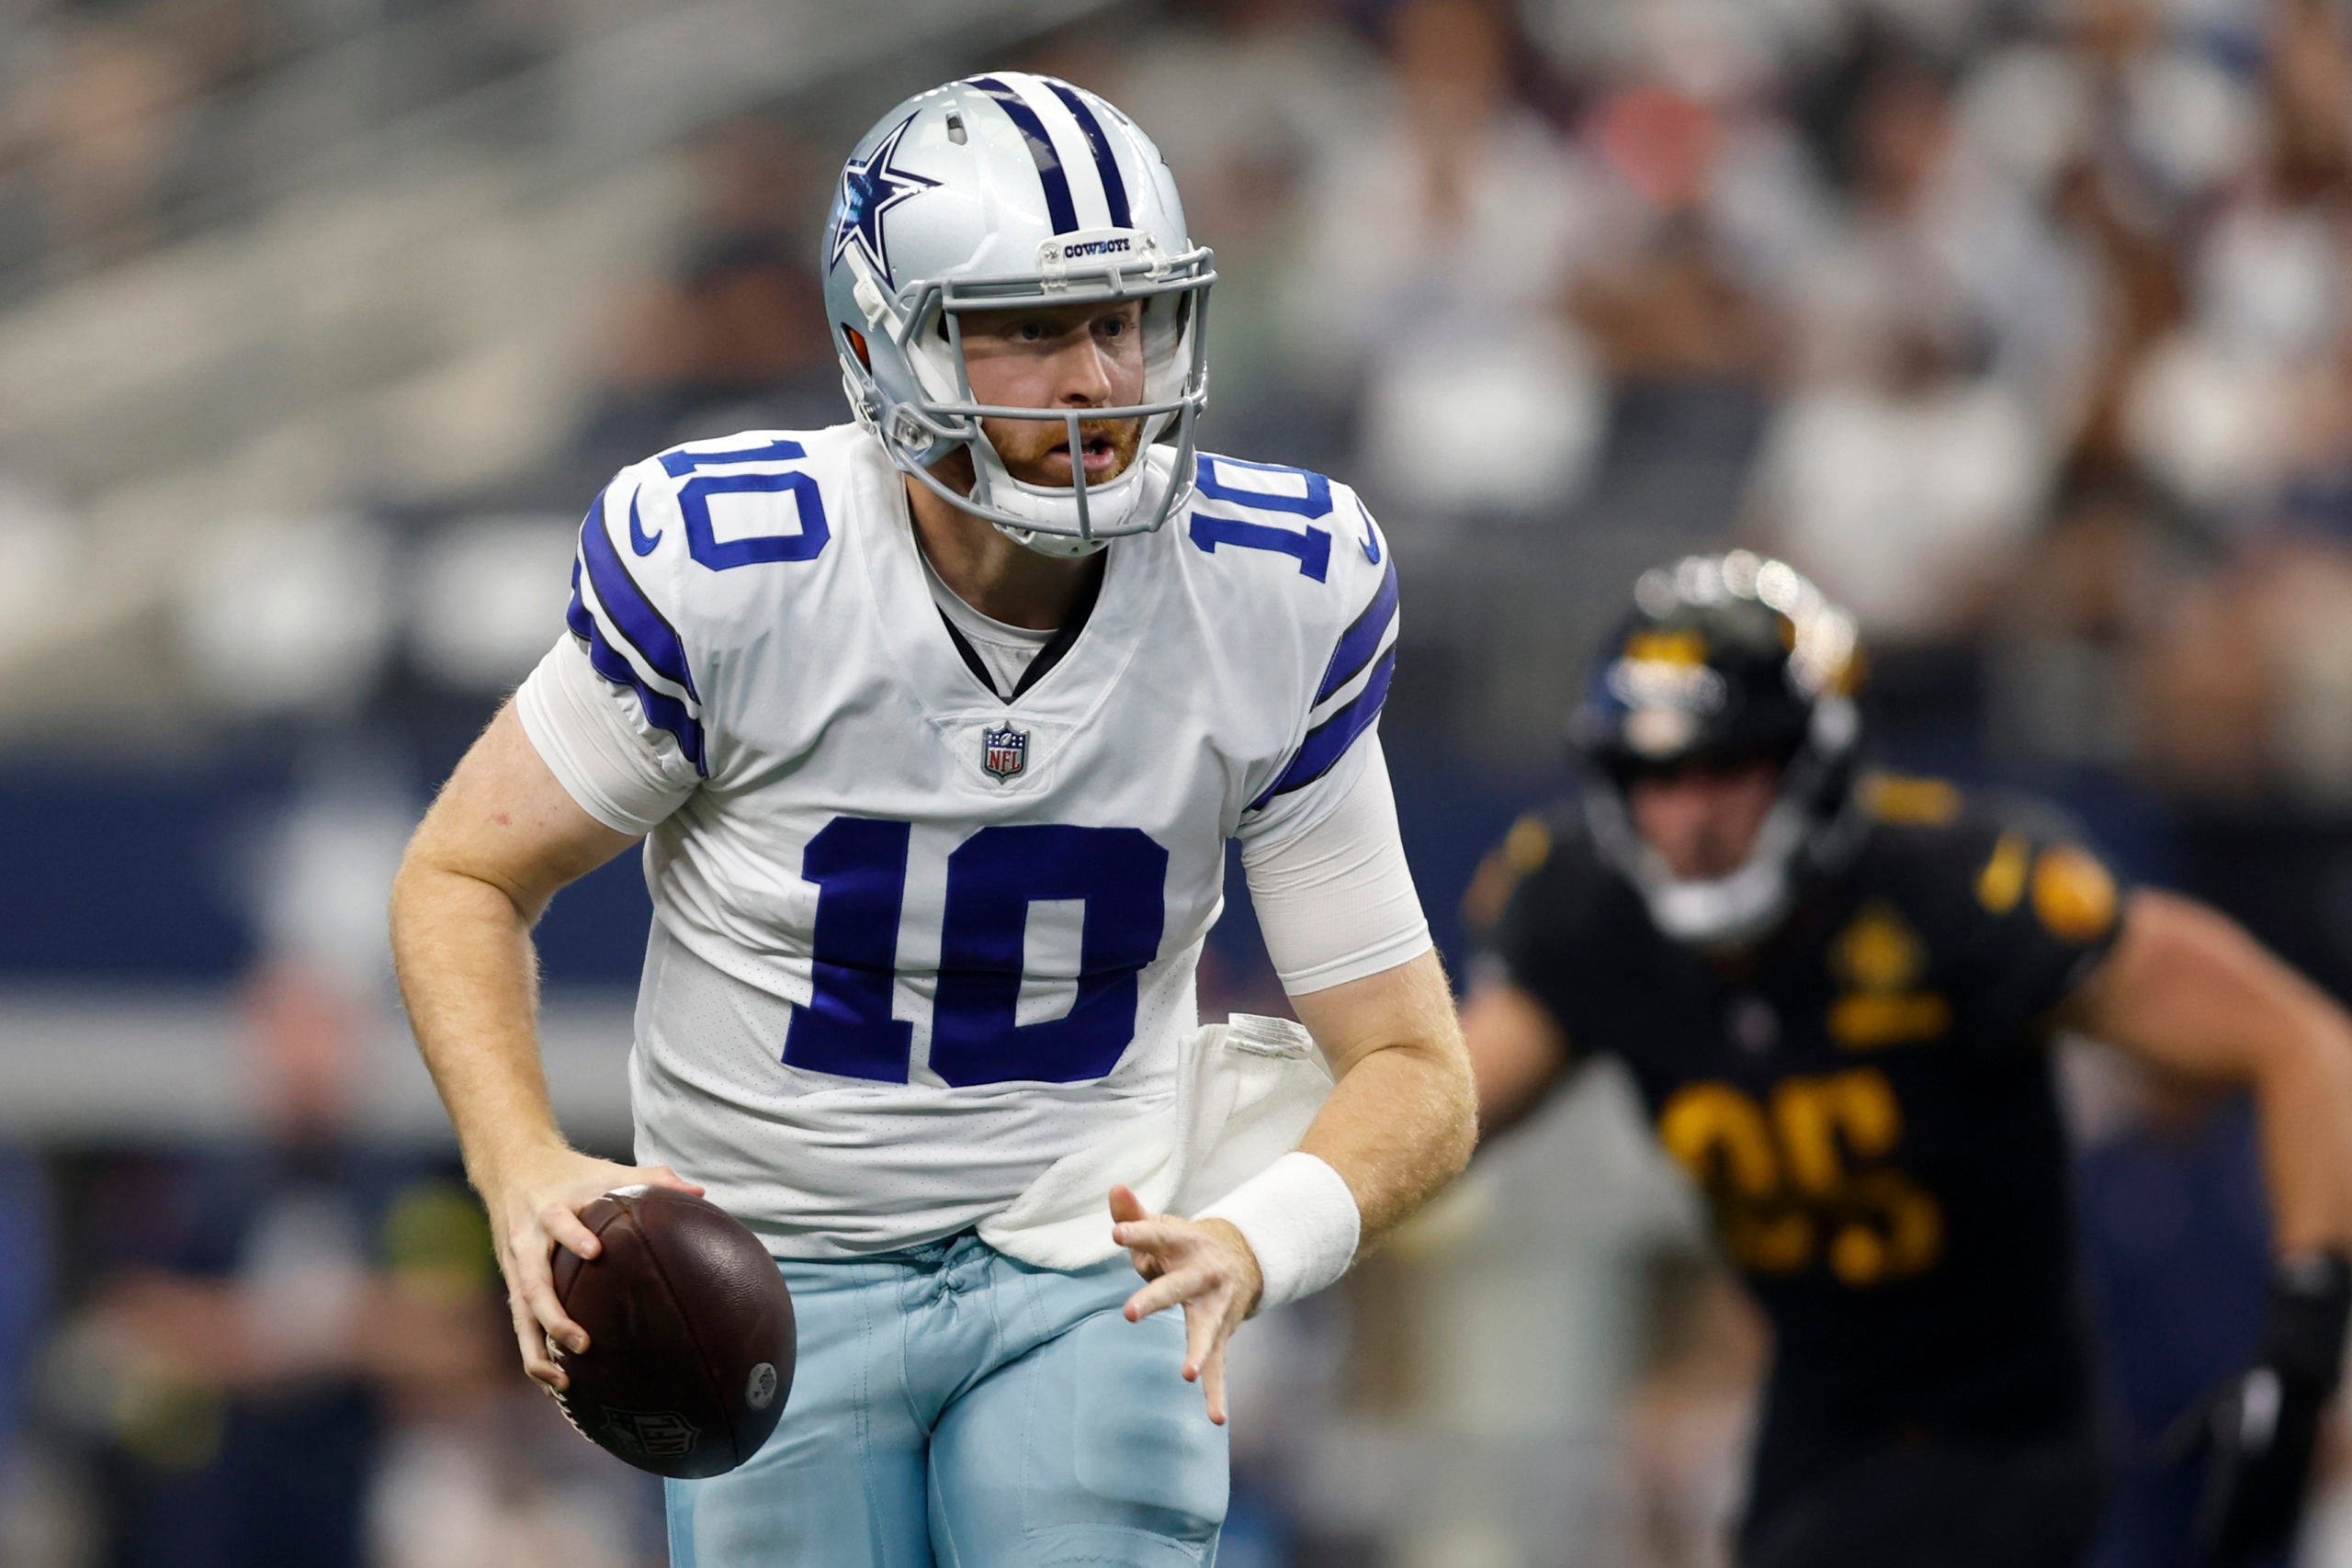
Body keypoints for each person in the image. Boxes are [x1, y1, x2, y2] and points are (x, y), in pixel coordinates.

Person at [389, 72, 1476, 1567]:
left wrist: (1251, 1234)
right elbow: (462, 873)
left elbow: (1416, 1064)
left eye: (1123, 318)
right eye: (1027, 328)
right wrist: (522, 1163)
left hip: (1094, 1249)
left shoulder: (1272, 593)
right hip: (774, 1271)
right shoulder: (737, 571)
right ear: (873, 345)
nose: (1097, 377)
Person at [1463, 551, 2352, 1568]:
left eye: (1727, 769)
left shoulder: (1957, 893)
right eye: (1652, 776)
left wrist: (2303, 1340)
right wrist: (1273, 1227)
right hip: (1814, 1420)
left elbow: (2302, 1042)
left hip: (2001, 1424)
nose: (1685, 822)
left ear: (1816, 758)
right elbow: (1445, 1114)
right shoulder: (1587, 909)